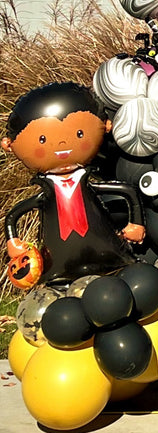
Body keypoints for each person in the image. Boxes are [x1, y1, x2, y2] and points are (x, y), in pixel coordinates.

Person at [3, 82, 144, 287]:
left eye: (79, 134)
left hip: (107, 250)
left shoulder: (88, 183)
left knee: (120, 269)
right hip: (57, 261)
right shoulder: (46, 195)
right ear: (9, 145)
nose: (61, 146)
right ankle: (58, 279)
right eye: (42, 140)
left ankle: (118, 265)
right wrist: (13, 242)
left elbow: (127, 191)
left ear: (106, 126)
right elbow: (14, 215)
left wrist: (136, 223)